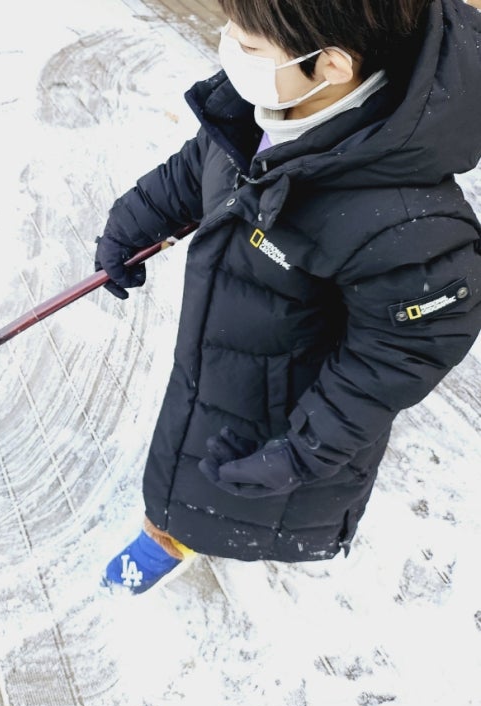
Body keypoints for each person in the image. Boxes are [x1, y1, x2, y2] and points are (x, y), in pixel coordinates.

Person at [94, 0, 481, 595]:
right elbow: (201, 164)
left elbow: (397, 356)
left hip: (295, 409)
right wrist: (133, 224)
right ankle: (171, 523)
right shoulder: (266, 106)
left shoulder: (406, 225)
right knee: (193, 448)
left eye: (249, 45)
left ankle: (181, 536)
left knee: (245, 490)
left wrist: (304, 452)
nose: (228, 45)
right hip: (228, 349)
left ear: (331, 65)